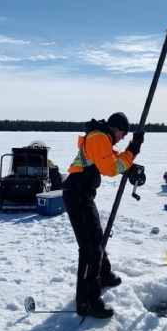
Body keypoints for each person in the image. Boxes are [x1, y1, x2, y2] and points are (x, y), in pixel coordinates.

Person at [62, 113, 144, 318]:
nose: (122, 138)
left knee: (97, 237)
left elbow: (114, 160)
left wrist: (132, 150)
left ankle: (104, 275)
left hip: (83, 194)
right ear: (115, 129)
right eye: (123, 134)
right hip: (78, 194)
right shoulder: (99, 138)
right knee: (89, 249)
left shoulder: (101, 139)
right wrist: (131, 153)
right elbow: (111, 169)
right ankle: (88, 301)